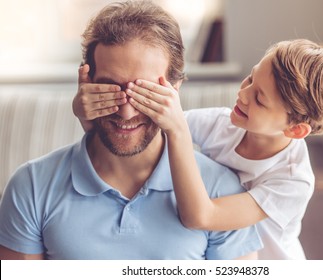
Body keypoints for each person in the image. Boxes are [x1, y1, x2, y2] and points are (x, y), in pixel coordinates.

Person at [0, 0, 262, 260]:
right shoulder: (32, 186)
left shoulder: (221, 191)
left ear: (176, 88)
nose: (126, 112)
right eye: (110, 89)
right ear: (86, 84)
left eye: (145, 92)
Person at [73, 38, 323, 259]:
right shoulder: (220, 123)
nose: (243, 93)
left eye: (260, 99)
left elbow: (201, 217)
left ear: (295, 129)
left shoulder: (292, 181)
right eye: (251, 78)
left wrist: (176, 129)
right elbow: (134, 143)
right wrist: (86, 113)